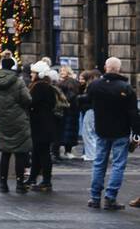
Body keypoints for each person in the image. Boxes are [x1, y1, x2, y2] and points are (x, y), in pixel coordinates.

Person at [85, 57, 139, 211]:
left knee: (99, 163)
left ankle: (95, 198)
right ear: (119, 69)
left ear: (105, 67)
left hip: (102, 129)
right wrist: (137, 132)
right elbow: (133, 113)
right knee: (118, 164)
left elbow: (87, 101)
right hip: (121, 131)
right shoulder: (126, 88)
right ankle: (110, 197)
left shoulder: (95, 85)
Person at [0, 52, 32, 194]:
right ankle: (19, 183)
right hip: (18, 119)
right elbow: (27, 99)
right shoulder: (18, 81)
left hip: (3, 119)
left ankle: (3, 184)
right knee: (20, 153)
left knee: (5, 153)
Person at [27, 61, 59, 192]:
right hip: (44, 124)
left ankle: (46, 181)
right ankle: (33, 178)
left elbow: (31, 102)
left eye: (33, 73)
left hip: (41, 125)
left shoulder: (40, 87)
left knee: (43, 153)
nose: (31, 75)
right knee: (37, 152)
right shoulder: (46, 86)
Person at [56, 67, 80, 160]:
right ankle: (67, 151)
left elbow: (71, 94)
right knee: (66, 132)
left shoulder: (70, 81)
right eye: (61, 71)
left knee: (68, 132)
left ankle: (68, 151)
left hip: (69, 110)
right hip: (68, 110)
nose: (62, 72)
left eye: (64, 71)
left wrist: (64, 101)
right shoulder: (63, 82)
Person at [78, 68, 99, 163]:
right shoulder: (97, 85)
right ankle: (92, 154)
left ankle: (91, 155)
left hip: (90, 110)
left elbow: (88, 98)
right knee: (92, 133)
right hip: (93, 110)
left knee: (88, 132)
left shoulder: (93, 86)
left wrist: (79, 98)